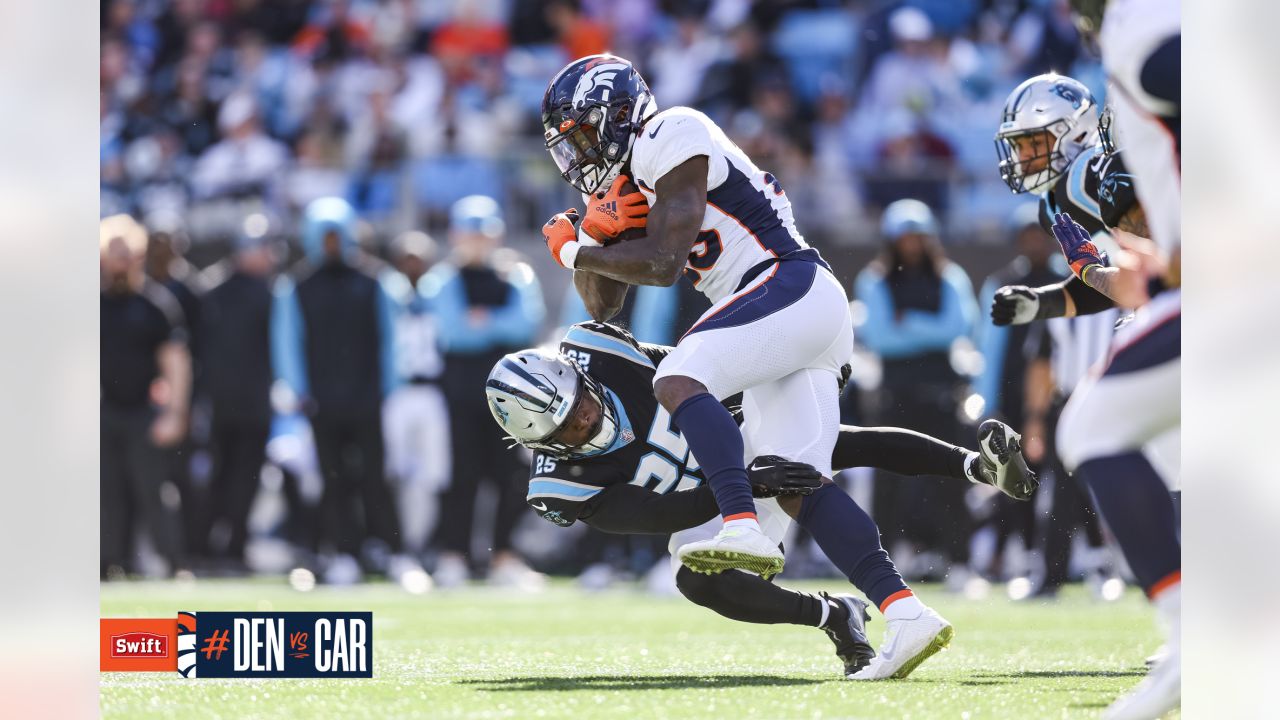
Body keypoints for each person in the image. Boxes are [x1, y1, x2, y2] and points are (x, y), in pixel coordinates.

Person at [483, 322, 1038, 678]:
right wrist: (744, 486)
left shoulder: (600, 353)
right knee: (695, 577)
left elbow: (691, 365)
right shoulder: (556, 487)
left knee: (837, 445)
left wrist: (782, 389)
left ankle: (976, 465)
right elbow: (657, 516)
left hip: (731, 426)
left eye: (580, 403)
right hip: (701, 499)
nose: (587, 419)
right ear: (540, 444)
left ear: (577, 377)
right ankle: (834, 615)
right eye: (571, 428)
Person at [538, 55, 852, 600]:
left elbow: (661, 263)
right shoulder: (619, 182)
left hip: (781, 284)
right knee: (796, 478)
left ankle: (742, 522)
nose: (582, 152)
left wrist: (575, 257)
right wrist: (592, 240)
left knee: (680, 378)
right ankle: (899, 614)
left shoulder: (670, 131)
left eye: (586, 133)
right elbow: (603, 308)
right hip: (757, 307)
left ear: (619, 113)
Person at [989, 58, 1181, 717]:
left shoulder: (1102, 169)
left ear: (1070, 133)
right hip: (1171, 304)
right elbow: (1105, 276)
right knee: (1167, 459)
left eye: (1033, 141)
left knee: (1110, 434)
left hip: (1197, 300)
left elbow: (1145, 248)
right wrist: (1043, 304)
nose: (1025, 156)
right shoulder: (1060, 198)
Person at [270, 196, 411, 585]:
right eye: (324, 236)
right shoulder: (296, 286)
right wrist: (297, 391)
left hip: (369, 398)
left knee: (376, 478)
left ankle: (394, 552)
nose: (331, 244)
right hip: (321, 402)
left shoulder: (375, 281)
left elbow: (391, 339)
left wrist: (390, 388)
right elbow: (288, 342)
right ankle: (344, 554)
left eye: (337, 236)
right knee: (334, 481)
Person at [422, 196, 546, 590]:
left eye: (483, 233)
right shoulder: (441, 280)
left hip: (511, 399)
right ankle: (453, 555)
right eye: (470, 233)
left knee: (510, 477)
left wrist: (481, 321)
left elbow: (525, 324)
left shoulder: (517, 275)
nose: (476, 241)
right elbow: (451, 331)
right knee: (462, 475)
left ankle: (503, 556)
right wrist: (492, 324)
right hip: (459, 393)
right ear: (456, 236)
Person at [853, 199, 979, 584]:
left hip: (941, 395)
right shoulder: (873, 280)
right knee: (888, 484)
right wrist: (928, 332)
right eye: (904, 237)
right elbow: (880, 339)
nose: (911, 244)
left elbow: (958, 327)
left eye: (917, 236)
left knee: (951, 477)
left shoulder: (950, 277)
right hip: (895, 396)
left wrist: (907, 323)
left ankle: (959, 563)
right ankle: (881, 565)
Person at [100, 214, 192, 578]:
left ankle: (172, 562)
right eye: (113, 250)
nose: (121, 258)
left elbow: (176, 362)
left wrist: (175, 413)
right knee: (107, 494)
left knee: (153, 490)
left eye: (127, 250)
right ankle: (109, 564)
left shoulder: (155, 305)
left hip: (143, 412)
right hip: (103, 410)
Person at [191, 222, 277, 570]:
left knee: (242, 477)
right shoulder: (214, 291)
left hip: (248, 401)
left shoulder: (259, 292)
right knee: (223, 476)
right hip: (228, 402)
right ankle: (211, 545)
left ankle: (227, 546)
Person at [381, 231, 450, 560]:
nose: (413, 266)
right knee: (394, 469)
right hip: (397, 392)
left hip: (431, 391)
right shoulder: (386, 293)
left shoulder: (438, 292)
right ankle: (396, 542)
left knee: (433, 472)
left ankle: (423, 542)